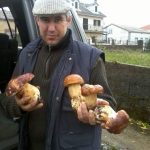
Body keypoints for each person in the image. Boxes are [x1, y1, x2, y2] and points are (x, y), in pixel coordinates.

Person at [0, 0, 121, 149]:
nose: (51, 28)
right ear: (37, 20)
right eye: (45, 19)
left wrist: (94, 113)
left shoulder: (91, 57)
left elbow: (109, 103)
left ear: (68, 20)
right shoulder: (27, 54)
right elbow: (7, 99)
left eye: (58, 19)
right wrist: (18, 105)